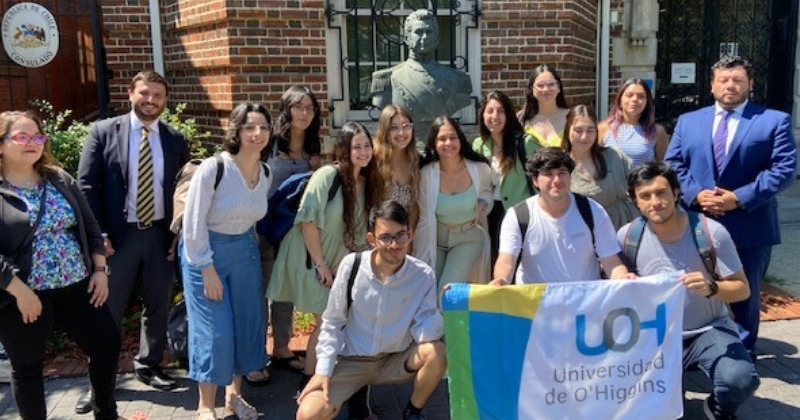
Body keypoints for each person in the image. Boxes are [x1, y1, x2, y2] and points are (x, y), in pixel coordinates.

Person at [665, 56, 797, 354]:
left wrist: (738, 197)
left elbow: (784, 169)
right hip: (697, 224)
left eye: (737, 80)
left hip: (749, 225)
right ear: (712, 85)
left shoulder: (773, 121)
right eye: (723, 80)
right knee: (694, 290)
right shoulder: (689, 121)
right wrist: (696, 194)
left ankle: (740, 357)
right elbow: (673, 163)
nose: (730, 85)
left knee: (744, 295)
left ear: (750, 84)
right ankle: (696, 351)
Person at [0, 111, 124, 420]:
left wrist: (99, 271)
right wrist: (20, 291)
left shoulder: (57, 178)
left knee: (107, 345)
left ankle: (106, 413)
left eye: (38, 137)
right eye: (22, 137)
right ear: (1, 144)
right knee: (27, 367)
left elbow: (89, 226)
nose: (33, 143)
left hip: (77, 284)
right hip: (22, 294)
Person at [76, 70, 189, 410]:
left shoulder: (175, 138)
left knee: (157, 304)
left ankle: (148, 365)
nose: (151, 100)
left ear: (165, 101)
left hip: (158, 233)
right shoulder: (103, 132)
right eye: (145, 93)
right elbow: (86, 187)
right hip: (116, 239)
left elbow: (184, 189)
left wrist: (177, 232)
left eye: (158, 95)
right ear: (130, 94)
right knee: (106, 310)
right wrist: (101, 237)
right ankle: (100, 383)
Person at [619, 162, 759, 420]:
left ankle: (716, 409)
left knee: (739, 379)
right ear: (634, 200)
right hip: (655, 336)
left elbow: (742, 290)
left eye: (662, 193)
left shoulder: (710, 233)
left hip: (707, 329)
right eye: (645, 196)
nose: (655, 202)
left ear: (675, 192)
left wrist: (712, 287)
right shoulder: (628, 237)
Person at [296, 200, 446, 420]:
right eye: (385, 237)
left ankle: (413, 411)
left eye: (401, 235)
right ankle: (356, 395)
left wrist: (444, 310)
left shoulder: (422, 275)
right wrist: (323, 371)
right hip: (352, 361)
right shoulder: (352, 266)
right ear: (371, 239)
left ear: (411, 234)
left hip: (394, 359)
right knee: (308, 414)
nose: (394, 244)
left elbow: (422, 333)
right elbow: (332, 323)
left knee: (437, 352)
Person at [267, 122, 383, 395]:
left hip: (337, 257)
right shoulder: (327, 176)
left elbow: (355, 230)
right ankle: (309, 384)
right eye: (357, 146)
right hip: (309, 255)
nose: (364, 151)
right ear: (344, 148)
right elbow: (307, 221)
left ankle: (320, 377)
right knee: (326, 321)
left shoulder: (366, 182)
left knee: (333, 320)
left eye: (367, 145)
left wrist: (344, 261)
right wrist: (321, 265)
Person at [180, 102, 272, 420]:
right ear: (236, 131)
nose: (257, 134)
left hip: (245, 252)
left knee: (246, 328)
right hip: (206, 255)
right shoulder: (214, 168)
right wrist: (207, 269)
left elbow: (252, 218)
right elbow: (193, 224)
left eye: (263, 127)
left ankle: (234, 398)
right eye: (249, 127)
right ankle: (205, 406)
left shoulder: (266, 172)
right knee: (216, 333)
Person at [246, 85, 324, 385]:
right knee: (259, 293)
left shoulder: (314, 150)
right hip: (261, 230)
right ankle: (254, 355)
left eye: (310, 108)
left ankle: (281, 347)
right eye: (298, 107)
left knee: (285, 293)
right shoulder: (269, 145)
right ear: (287, 109)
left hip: (292, 232)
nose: (304, 113)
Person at [490, 147, 630, 286]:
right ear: (535, 180)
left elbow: (611, 260)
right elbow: (506, 260)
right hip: (536, 303)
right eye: (548, 174)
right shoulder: (518, 215)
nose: (556, 180)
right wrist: (501, 280)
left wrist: (623, 277)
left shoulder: (592, 210)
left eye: (562, 173)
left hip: (584, 301)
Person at [415, 116, 493, 292]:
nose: (448, 143)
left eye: (453, 137)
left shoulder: (479, 169)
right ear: (433, 143)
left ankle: (444, 320)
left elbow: (488, 191)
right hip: (436, 239)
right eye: (442, 139)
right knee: (429, 290)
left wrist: (482, 202)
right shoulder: (426, 174)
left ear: (461, 139)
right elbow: (423, 215)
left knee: (446, 291)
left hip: (468, 238)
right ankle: (444, 321)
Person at [370, 9, 472, 139]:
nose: (424, 37)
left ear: (437, 39)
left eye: (429, 32)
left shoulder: (456, 79)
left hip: (439, 148)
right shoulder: (387, 79)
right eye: (418, 32)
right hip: (405, 149)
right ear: (407, 38)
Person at [472, 90, 540, 262]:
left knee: (521, 261)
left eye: (501, 111)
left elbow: (542, 176)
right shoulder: (479, 145)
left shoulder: (525, 143)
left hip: (519, 212)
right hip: (489, 213)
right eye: (490, 111)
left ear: (509, 114)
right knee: (495, 261)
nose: (495, 116)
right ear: (482, 115)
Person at [562, 105, 639, 230]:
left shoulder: (614, 156)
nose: (584, 136)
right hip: (582, 232)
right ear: (567, 131)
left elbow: (639, 184)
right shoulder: (560, 165)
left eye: (590, 130)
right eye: (578, 130)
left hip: (621, 227)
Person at [598, 78, 669, 167]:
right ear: (620, 100)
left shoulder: (657, 132)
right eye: (629, 95)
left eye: (641, 96)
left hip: (643, 180)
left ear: (647, 102)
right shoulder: (604, 128)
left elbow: (663, 168)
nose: (635, 99)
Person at [373, 104, 420, 229]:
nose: (401, 133)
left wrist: (409, 236)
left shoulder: (416, 161)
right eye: (394, 128)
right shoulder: (373, 159)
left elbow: (415, 206)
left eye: (406, 126)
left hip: (403, 236)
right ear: (385, 131)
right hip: (377, 234)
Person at [517, 64, 569, 148]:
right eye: (540, 85)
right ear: (532, 89)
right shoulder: (521, 119)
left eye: (551, 84)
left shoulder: (571, 118)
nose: (546, 89)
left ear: (558, 87)